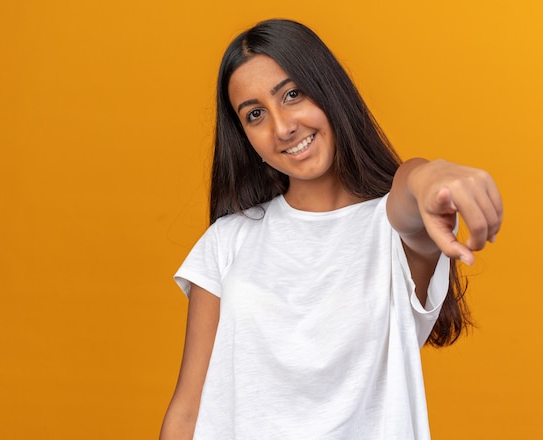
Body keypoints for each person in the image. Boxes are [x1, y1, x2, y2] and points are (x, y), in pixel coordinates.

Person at [160, 18, 502, 440]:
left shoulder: (390, 232)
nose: (282, 127)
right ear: (245, 138)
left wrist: (426, 174)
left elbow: (407, 205)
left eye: (292, 94)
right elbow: (187, 413)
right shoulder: (227, 241)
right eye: (255, 115)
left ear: (329, 91)